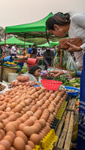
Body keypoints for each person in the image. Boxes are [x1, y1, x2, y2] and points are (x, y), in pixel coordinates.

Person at [46, 12, 85, 150]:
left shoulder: (76, 19)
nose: (55, 36)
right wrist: (63, 72)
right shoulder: (71, 37)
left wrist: (81, 47)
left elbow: (81, 49)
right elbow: (79, 63)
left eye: (52, 32)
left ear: (56, 27)